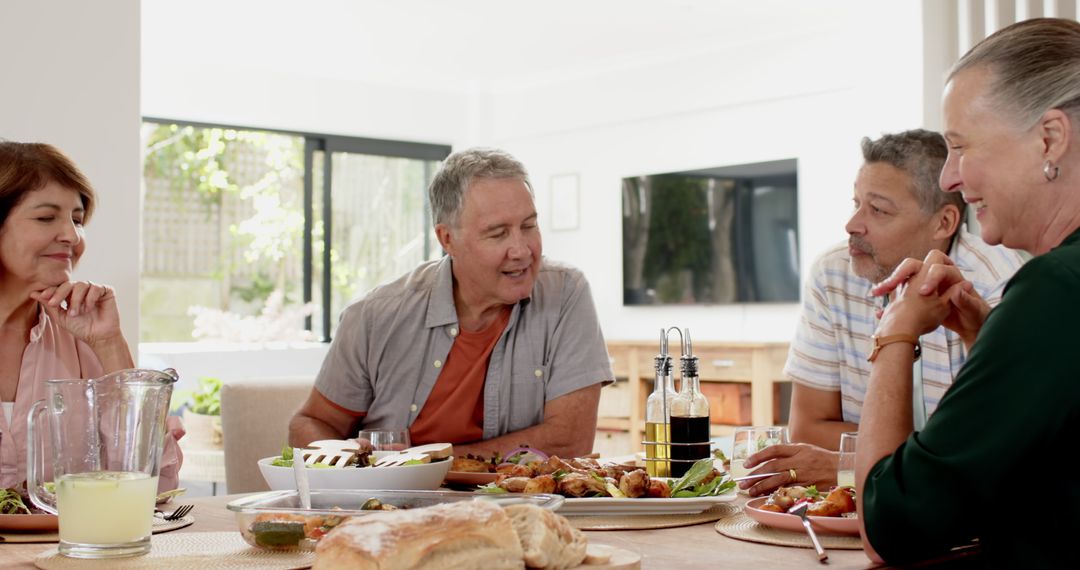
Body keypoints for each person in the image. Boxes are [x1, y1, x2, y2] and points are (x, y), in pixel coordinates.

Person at [856, 18, 1080, 566]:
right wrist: (991, 336)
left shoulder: (1054, 290)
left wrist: (896, 332)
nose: (950, 178)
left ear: (1049, 138)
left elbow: (890, 527)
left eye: (960, 147)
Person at [739, 130, 1024, 497]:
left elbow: (991, 447)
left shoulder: (994, 282)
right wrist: (898, 461)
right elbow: (808, 427)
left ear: (944, 223)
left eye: (878, 210)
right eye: (855, 203)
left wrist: (851, 464)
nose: (852, 224)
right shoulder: (834, 272)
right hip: (871, 503)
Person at [289, 147, 613, 458]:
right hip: (391, 506)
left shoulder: (565, 293)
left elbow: (570, 441)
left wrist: (430, 464)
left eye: (528, 226)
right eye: (498, 233)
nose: (522, 250)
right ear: (447, 239)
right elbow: (310, 425)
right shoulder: (374, 317)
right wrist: (353, 465)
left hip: (515, 509)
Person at [0, 142, 183, 493]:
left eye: (78, 220)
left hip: (72, 545)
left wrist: (110, 343)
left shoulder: (83, 336)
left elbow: (156, 485)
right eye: (45, 217)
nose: (71, 235)